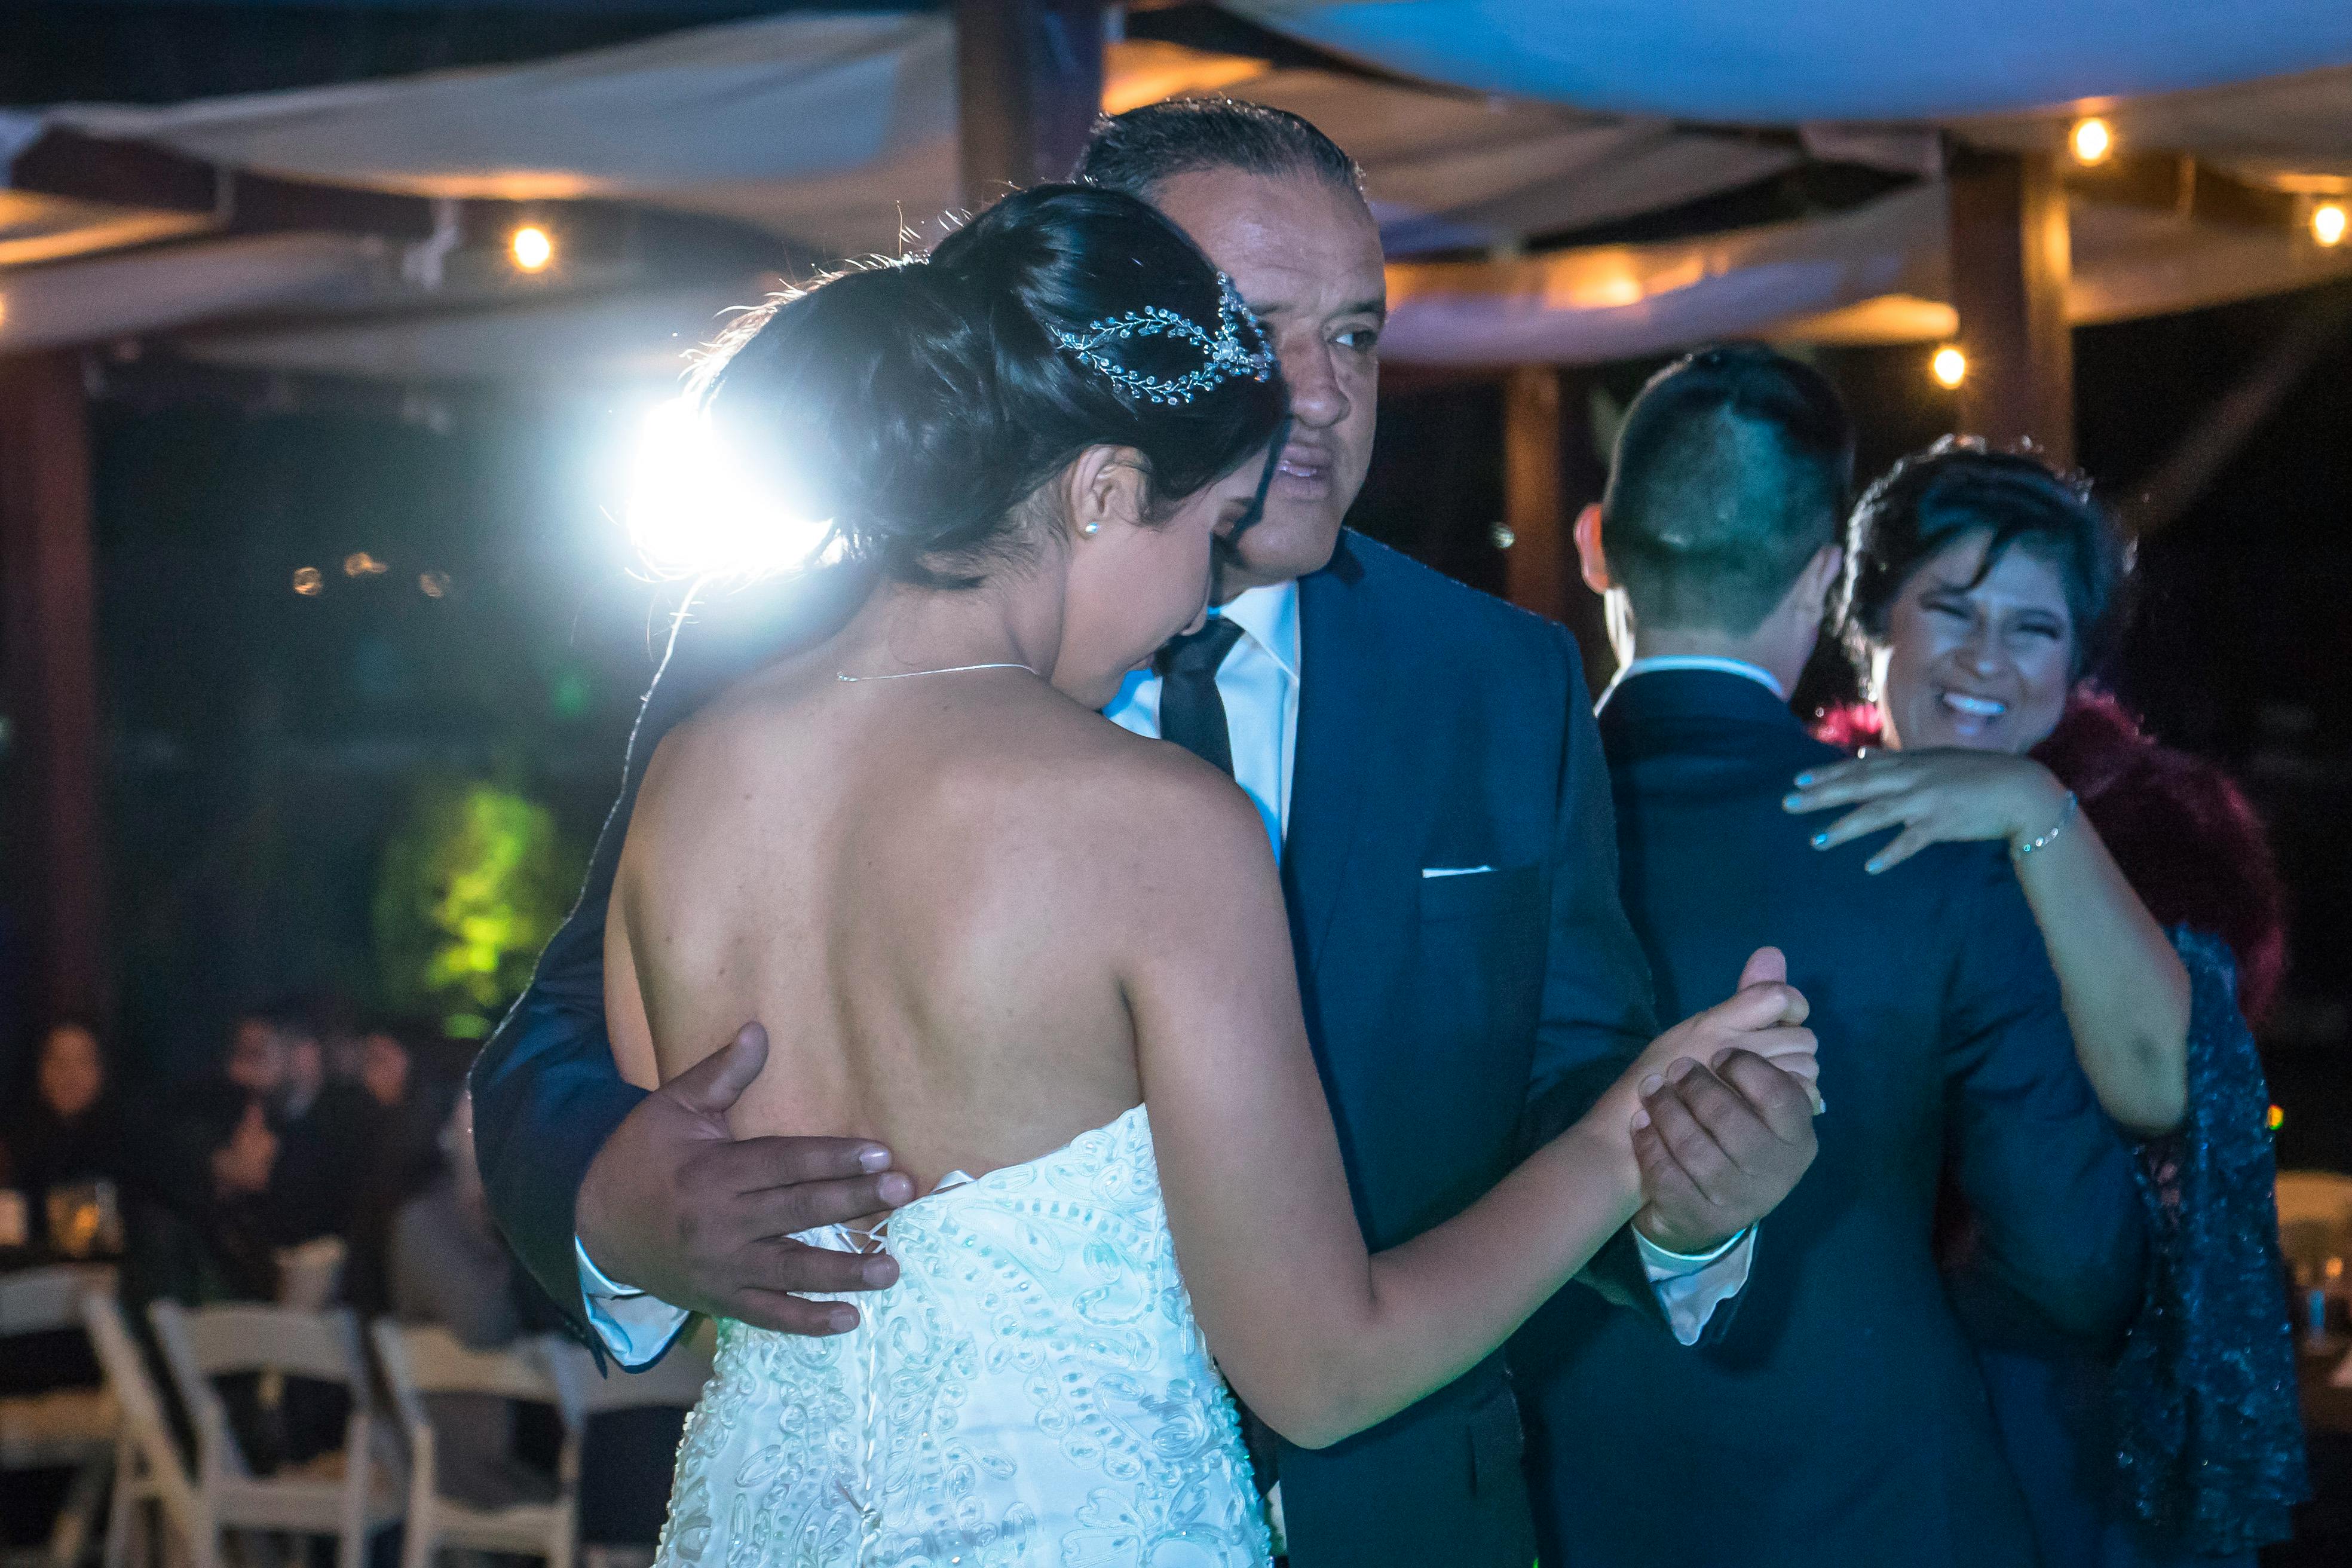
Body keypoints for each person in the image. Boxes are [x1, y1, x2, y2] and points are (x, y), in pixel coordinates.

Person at [474, 102, 1821, 1567]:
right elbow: (581, 1065)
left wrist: (1677, 1182)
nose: (1316, 394)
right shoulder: (1138, 811)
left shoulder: (1497, 678)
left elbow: (1558, 1054)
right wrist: (621, 1209)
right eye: (1257, 325)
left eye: (1357, 336)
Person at [1524, 347, 2149, 1566]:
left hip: (1561, 1494)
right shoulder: (1929, 851)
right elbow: (2080, 1261)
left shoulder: (1488, 828)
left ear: (1598, 546)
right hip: (1878, 1503)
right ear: (1823, 580)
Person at [1788, 437, 2308, 1563]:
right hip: (1824, 1399)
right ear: (1869, 624)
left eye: (2033, 628)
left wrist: (2032, 809)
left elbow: (2169, 1083)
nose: (1986, 657)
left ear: (2078, 661)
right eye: (1951, 610)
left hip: (2062, 1423)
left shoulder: (2163, 836)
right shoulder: (1797, 812)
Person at [226, 999, 376, 1249]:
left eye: (255, 1055)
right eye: (237, 1054)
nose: (236, 1071)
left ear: (304, 1055)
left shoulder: (353, 1126)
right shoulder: (242, 1117)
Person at [1, 1021, 129, 1252]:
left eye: (83, 1062)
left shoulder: (130, 1144)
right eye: (58, 1062)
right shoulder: (15, 1144)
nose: (70, 1075)